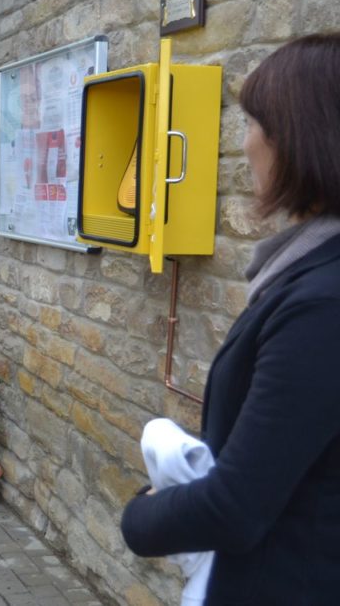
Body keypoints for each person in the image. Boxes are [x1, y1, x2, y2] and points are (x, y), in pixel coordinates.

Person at [121, 33, 340, 604]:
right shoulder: (311, 272)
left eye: (252, 125)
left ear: (300, 139)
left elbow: (238, 506)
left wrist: (140, 517)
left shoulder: (323, 302)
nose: (244, 147)